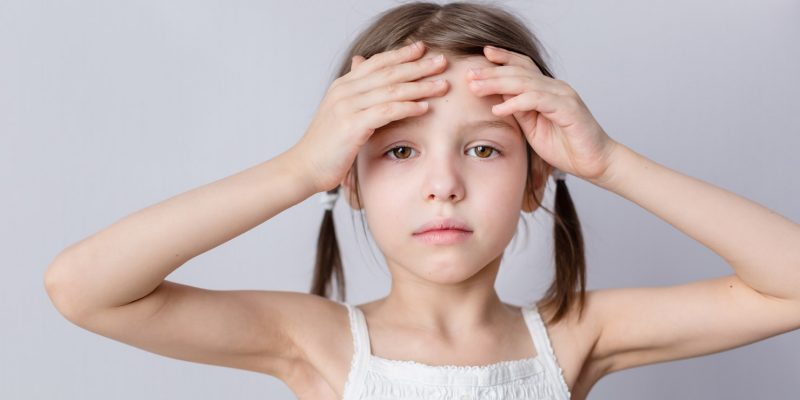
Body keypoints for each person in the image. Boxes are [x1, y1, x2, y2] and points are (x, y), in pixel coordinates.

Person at [44, 2, 800, 399]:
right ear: (353, 179)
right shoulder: (317, 341)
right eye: (400, 150)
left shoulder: (575, 336)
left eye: (483, 148)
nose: (445, 182)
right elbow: (83, 289)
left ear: (536, 179)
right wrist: (296, 168)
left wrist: (609, 162)